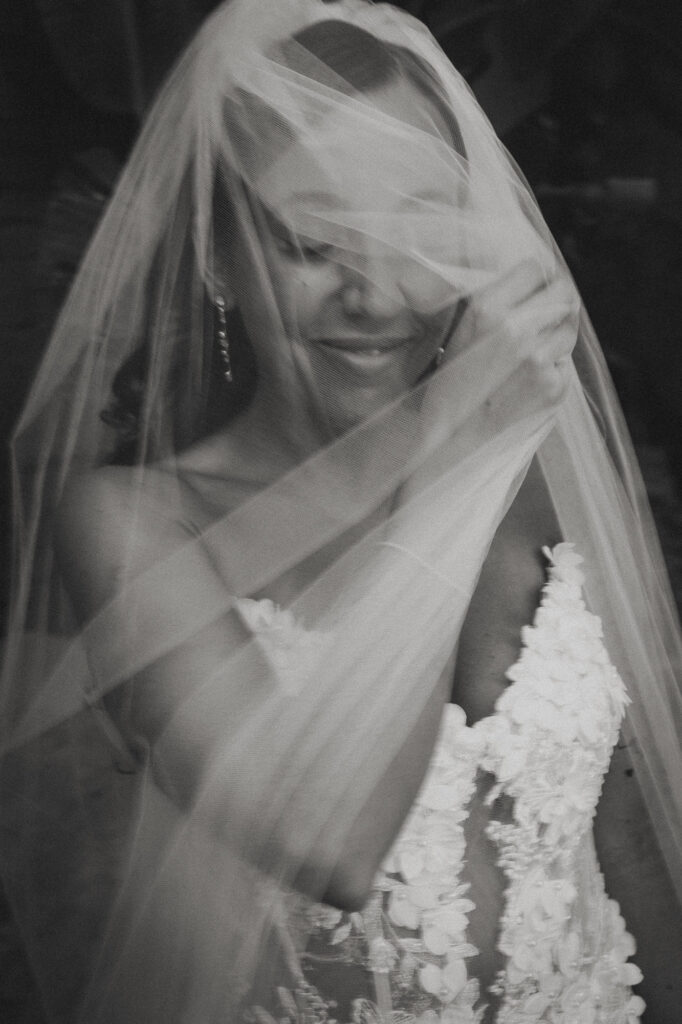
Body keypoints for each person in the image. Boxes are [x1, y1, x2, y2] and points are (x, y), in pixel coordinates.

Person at [1, 2, 680, 1022]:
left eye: (419, 229)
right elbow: (331, 844)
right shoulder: (137, 523)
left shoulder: (529, 470)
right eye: (314, 243)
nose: (378, 293)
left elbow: (616, 831)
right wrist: (441, 456)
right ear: (221, 259)